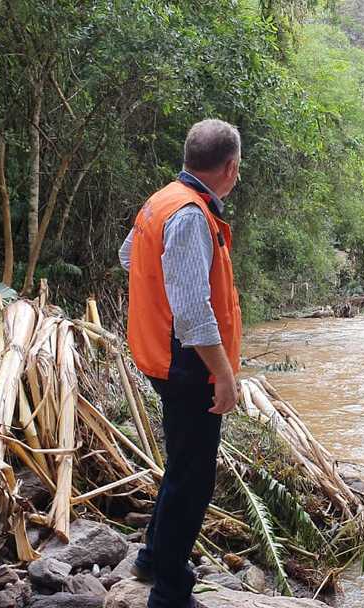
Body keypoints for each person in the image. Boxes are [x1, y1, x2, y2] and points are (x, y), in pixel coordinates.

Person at [118, 119, 243, 608]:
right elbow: (193, 311)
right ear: (229, 168)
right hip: (187, 365)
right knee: (194, 480)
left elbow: (129, 257)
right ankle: (170, 592)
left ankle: (152, 556)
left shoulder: (161, 200)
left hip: (160, 357)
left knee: (182, 463)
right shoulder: (191, 215)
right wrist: (225, 375)